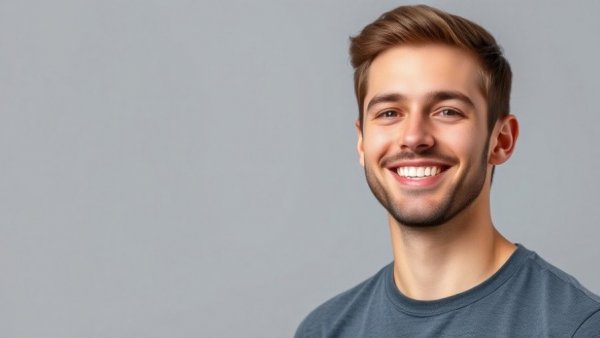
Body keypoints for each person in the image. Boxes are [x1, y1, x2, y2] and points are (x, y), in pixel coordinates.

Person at [295, 5, 600, 337]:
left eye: (447, 111)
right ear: (362, 142)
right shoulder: (325, 330)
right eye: (389, 113)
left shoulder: (574, 326)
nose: (414, 137)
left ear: (501, 140)